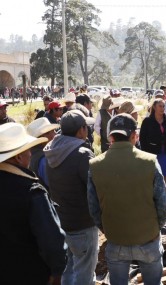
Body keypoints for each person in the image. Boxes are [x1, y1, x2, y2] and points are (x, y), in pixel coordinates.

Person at [88, 113, 166, 285]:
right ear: (134, 136)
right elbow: (163, 205)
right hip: (148, 238)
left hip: (116, 239)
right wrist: (155, 229)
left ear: (110, 136)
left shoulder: (95, 165)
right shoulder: (150, 162)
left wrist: (107, 229)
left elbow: (93, 208)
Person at [0, 122, 67, 285]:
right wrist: (57, 272)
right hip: (30, 273)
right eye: (28, 150)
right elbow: (53, 243)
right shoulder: (31, 191)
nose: (31, 154)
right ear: (18, 157)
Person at [44, 110, 98, 285]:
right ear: (80, 130)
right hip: (82, 223)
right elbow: (94, 189)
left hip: (61, 221)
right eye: (86, 128)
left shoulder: (52, 150)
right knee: (84, 273)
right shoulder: (82, 154)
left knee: (68, 270)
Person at [139, 98, 166, 182]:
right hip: (151, 153)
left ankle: (163, 192)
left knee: (164, 173)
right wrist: (144, 153)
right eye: (160, 106)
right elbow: (142, 138)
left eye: (163, 106)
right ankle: (153, 193)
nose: (162, 108)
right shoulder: (147, 121)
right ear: (154, 107)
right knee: (152, 175)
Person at [26, 117, 59, 189]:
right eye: (51, 131)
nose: (55, 134)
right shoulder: (43, 159)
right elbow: (53, 185)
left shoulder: (31, 153)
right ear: (43, 137)